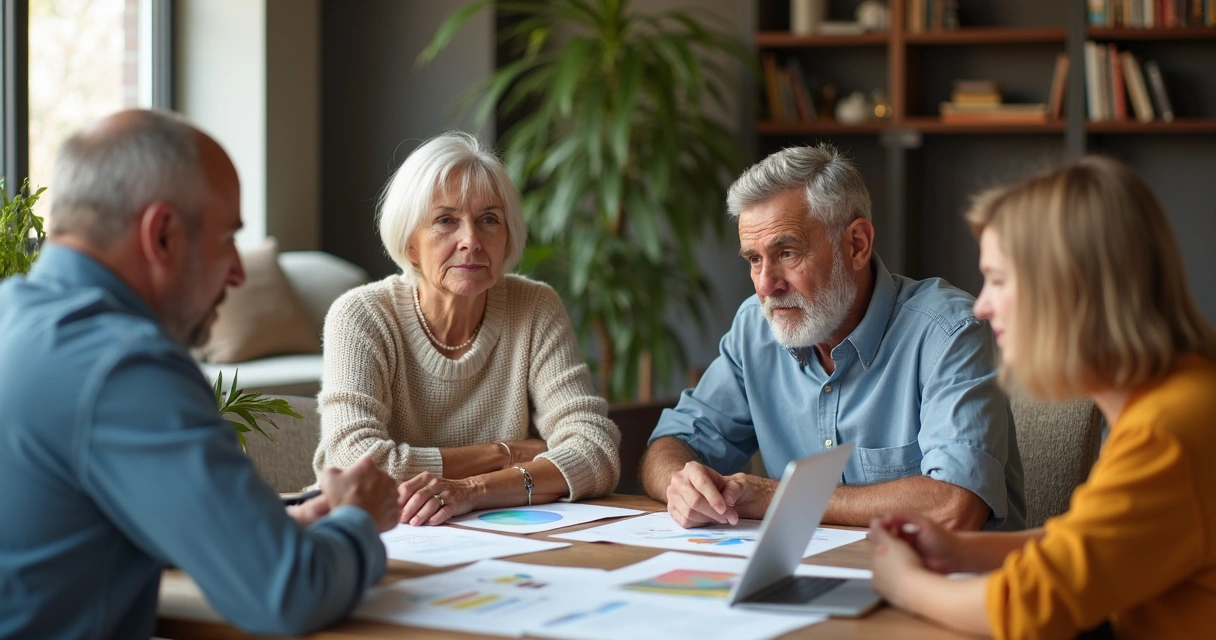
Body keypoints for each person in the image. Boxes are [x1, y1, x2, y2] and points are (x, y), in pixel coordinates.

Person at [0, 110, 402, 639]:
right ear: (163, 235)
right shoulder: (124, 365)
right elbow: (288, 592)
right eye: (227, 239)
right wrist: (358, 517)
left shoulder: (12, 315)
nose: (237, 271)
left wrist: (260, 532)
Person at [868, 156, 1216, 639]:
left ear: (1071, 288)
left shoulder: (1167, 432)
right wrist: (961, 551)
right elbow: (1087, 544)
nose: (983, 304)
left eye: (999, 279)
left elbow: (1028, 610)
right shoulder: (1178, 399)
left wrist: (904, 585)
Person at [641, 143, 1025, 531]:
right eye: (754, 260)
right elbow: (671, 441)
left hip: (945, 585)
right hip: (802, 579)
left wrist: (777, 497)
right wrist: (682, 483)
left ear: (857, 245)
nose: (765, 285)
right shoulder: (755, 330)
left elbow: (954, 505)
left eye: (787, 252)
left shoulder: (949, 332)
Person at [312, 131, 620, 526]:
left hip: (511, 534)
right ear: (410, 244)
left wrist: (474, 491)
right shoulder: (361, 316)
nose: (471, 241)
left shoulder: (535, 307)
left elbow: (596, 450)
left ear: (507, 235)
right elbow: (353, 461)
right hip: (386, 536)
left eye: (489, 220)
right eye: (445, 221)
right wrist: (505, 453)